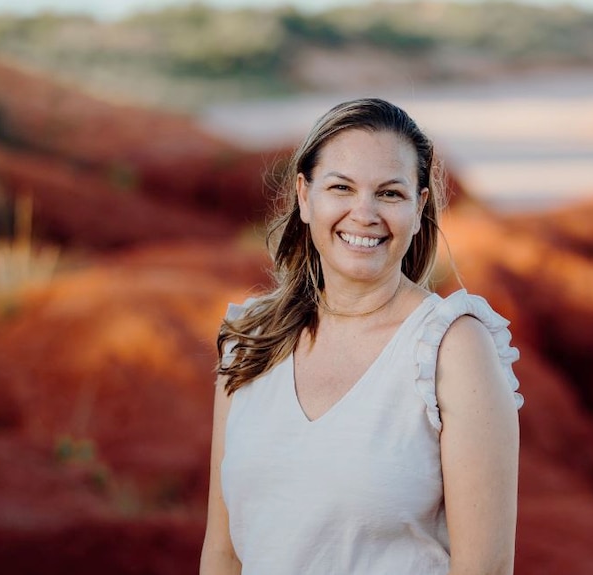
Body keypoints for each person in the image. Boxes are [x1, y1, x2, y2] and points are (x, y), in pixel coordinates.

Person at [200, 98, 523, 575]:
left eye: (390, 193)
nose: (364, 213)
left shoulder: (451, 348)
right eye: (341, 187)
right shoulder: (251, 339)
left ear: (419, 209)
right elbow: (223, 552)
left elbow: (486, 569)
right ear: (305, 197)